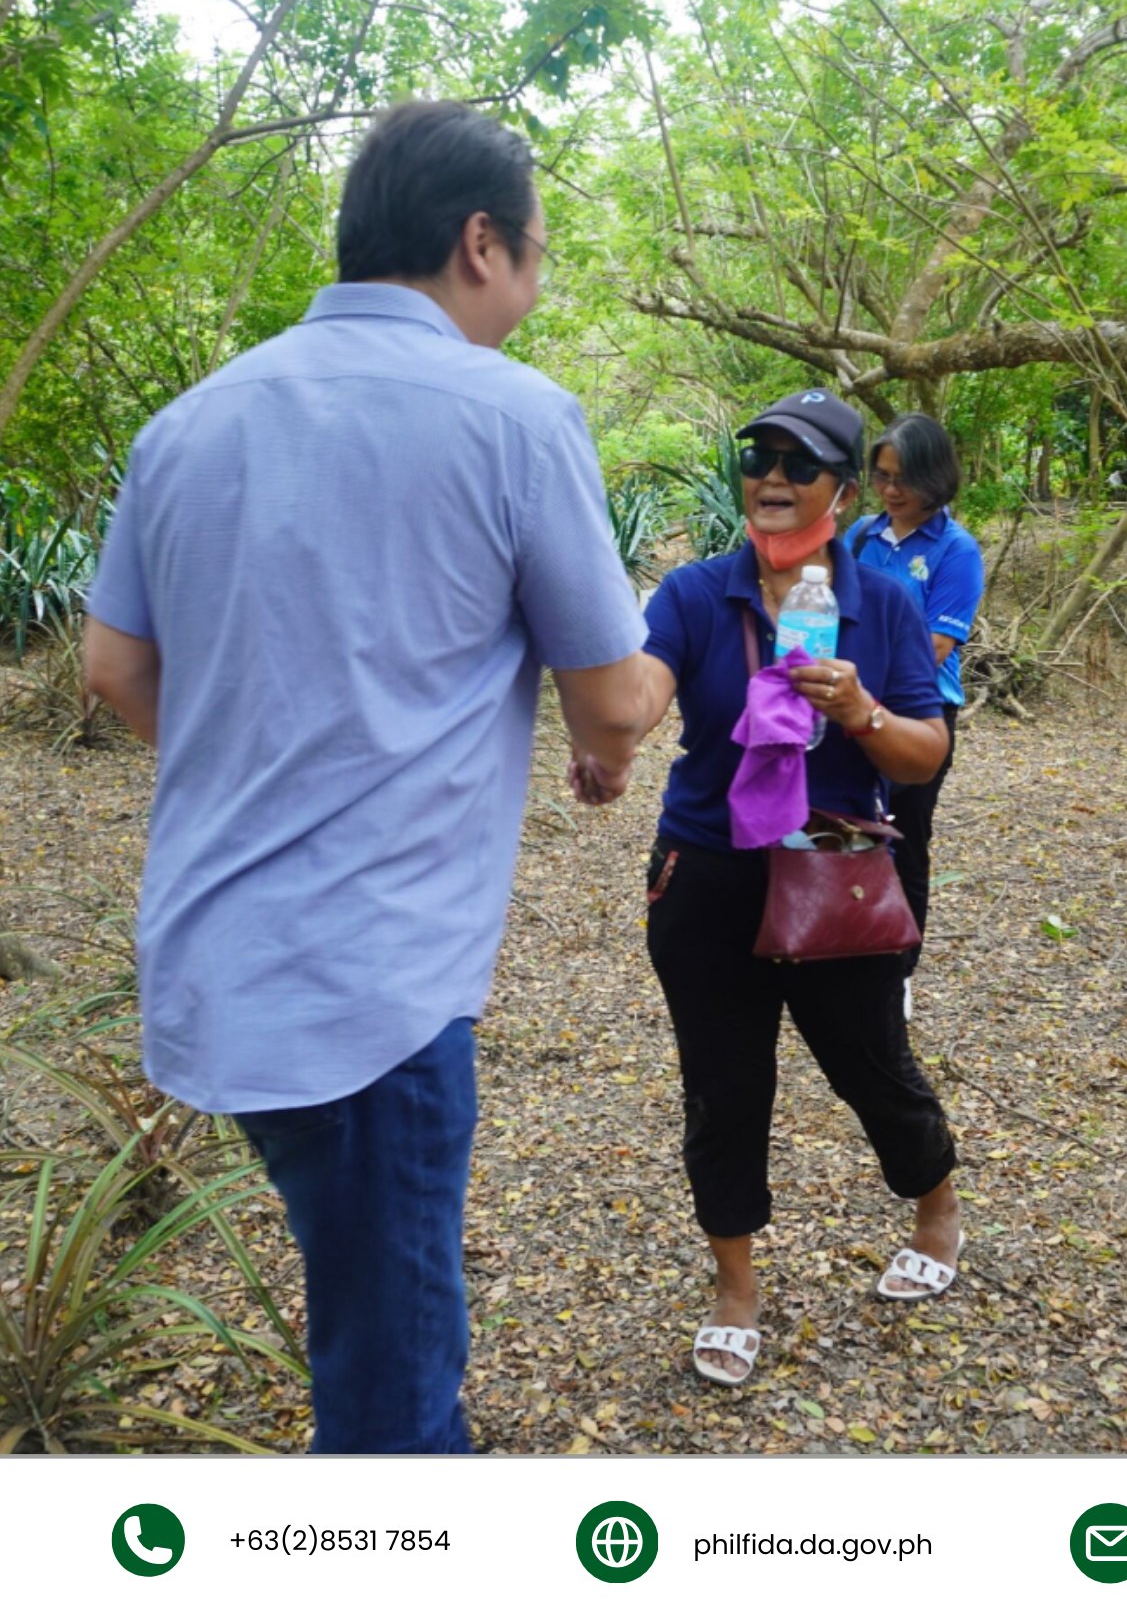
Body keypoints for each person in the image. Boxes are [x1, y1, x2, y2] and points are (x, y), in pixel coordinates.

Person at [83, 101, 652, 1453]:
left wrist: (254, 756)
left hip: (215, 969)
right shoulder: (515, 417)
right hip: (370, 995)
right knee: (394, 1388)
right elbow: (614, 697)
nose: (533, 282)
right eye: (536, 252)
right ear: (478, 244)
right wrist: (630, 717)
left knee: (362, 1303)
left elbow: (115, 670)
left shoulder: (189, 423)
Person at [581, 389, 961, 1387]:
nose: (774, 478)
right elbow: (645, 694)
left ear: (841, 485)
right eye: (760, 458)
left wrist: (865, 711)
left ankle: (937, 1210)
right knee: (724, 1085)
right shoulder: (697, 593)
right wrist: (612, 738)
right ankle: (736, 1287)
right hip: (709, 872)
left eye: (801, 463)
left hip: (835, 865)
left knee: (870, 1063)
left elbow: (925, 756)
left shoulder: (883, 601)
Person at [848, 415, 985, 1019]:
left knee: (905, 840)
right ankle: (839, 944)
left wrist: (861, 679)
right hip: (848, 710)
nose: (891, 490)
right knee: (846, 829)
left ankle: (897, 969)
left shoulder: (956, 550)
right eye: (881, 476)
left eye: (904, 478)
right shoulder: (859, 537)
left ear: (936, 476)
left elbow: (934, 646)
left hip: (919, 715)